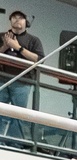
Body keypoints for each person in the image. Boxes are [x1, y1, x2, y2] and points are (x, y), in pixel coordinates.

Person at [0, 9, 43, 140]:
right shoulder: (1, 36)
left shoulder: (33, 40)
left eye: (20, 17)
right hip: (2, 79)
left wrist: (18, 47)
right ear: (10, 21)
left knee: (19, 114)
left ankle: (15, 143)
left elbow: (39, 59)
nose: (17, 19)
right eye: (14, 17)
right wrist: (5, 47)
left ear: (26, 22)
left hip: (23, 82)